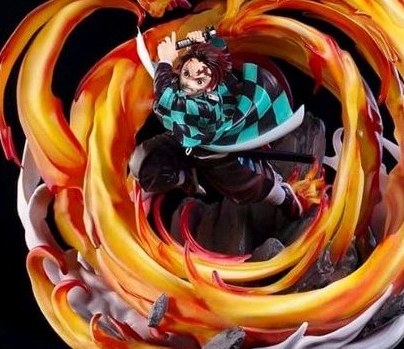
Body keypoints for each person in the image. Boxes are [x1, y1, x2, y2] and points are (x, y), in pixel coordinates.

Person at [129, 29, 304, 220]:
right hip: (186, 139)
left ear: (211, 85)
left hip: (217, 156)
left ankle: (283, 197)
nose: (188, 83)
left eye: (199, 81)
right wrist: (203, 42)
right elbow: (219, 58)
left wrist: (165, 62)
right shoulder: (198, 85)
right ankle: (185, 177)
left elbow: (168, 101)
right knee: (144, 161)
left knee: (250, 187)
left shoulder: (206, 106)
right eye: (186, 74)